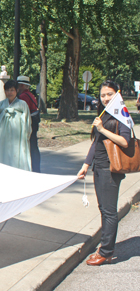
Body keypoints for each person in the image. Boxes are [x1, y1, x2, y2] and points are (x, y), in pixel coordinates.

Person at [77, 80, 130, 266]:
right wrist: (86, 163)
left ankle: (106, 252)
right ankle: (104, 247)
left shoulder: (122, 114)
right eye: (103, 95)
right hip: (98, 166)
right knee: (103, 209)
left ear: (118, 94)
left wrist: (101, 129)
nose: (106, 98)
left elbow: (125, 141)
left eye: (110, 94)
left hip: (111, 168)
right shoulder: (104, 113)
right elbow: (96, 142)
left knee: (109, 212)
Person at [0, 80, 32, 171]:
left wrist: (26, 134)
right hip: (4, 134)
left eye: (12, 90)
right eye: (7, 90)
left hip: (18, 134)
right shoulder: (1, 104)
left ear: (16, 91)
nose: (9, 93)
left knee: (17, 153)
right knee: (4, 154)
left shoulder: (22, 104)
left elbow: (27, 120)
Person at [17, 75, 41, 172]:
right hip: (34, 122)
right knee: (33, 146)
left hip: (29, 123)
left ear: (22, 85)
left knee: (31, 147)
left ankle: (33, 169)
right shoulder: (30, 95)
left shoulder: (23, 96)